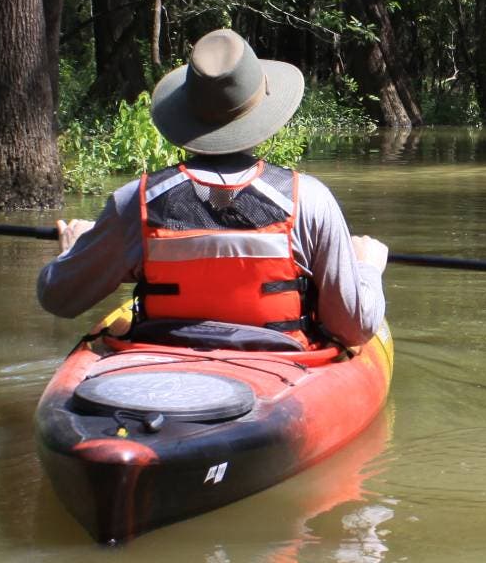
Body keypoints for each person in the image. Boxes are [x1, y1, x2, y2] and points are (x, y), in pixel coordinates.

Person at [38, 28, 387, 349]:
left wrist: (73, 251)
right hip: (279, 367)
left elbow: (58, 298)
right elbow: (353, 328)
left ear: (186, 113)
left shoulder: (134, 202)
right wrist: (366, 268)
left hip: (159, 365)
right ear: (262, 115)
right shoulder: (309, 200)